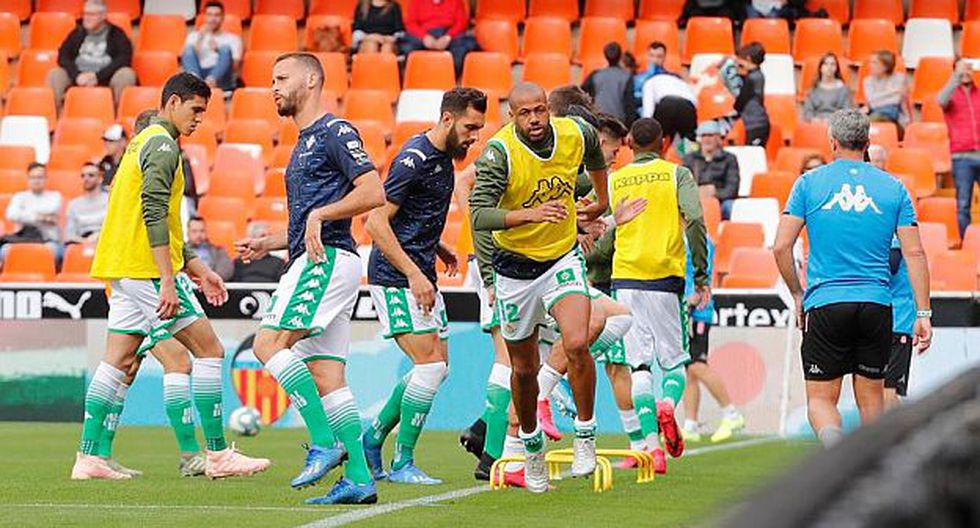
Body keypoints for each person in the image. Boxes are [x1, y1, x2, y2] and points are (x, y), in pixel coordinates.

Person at [73, 72, 270, 480]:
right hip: (145, 269)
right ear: (174, 102)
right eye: (196, 110)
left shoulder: (141, 143)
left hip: (124, 267)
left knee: (118, 360)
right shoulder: (163, 145)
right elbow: (154, 214)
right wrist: (167, 279)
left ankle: (89, 457)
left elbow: (158, 218)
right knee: (209, 350)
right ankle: (216, 455)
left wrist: (197, 268)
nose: (200, 119)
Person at [235, 52, 385, 505]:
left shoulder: (334, 132)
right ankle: (359, 478)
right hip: (320, 255)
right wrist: (274, 241)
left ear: (312, 79)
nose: (273, 87)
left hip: (324, 261)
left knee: (267, 345)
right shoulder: (302, 142)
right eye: (272, 79)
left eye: (282, 78)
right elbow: (313, 220)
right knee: (326, 375)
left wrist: (320, 214)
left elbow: (373, 191)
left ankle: (323, 442)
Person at [469, 81, 610, 493]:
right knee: (524, 369)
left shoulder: (574, 132)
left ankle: (585, 435)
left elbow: (597, 153)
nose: (535, 119)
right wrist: (528, 215)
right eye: (525, 113)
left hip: (561, 257)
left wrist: (600, 199)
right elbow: (479, 215)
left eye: (540, 110)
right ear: (511, 117)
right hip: (514, 269)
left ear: (549, 109)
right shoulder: (499, 153)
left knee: (577, 340)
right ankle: (530, 450)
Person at [772, 108, 932, 448]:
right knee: (873, 401)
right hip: (876, 304)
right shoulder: (894, 188)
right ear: (868, 142)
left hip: (826, 301)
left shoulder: (809, 183)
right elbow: (915, 253)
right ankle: (872, 471)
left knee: (820, 400)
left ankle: (834, 448)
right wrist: (923, 313)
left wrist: (798, 294)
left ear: (832, 142)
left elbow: (781, 247)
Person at [362, 88, 486, 485]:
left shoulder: (445, 159)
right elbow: (376, 223)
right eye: (470, 127)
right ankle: (402, 461)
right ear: (448, 119)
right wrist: (414, 273)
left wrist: (439, 246)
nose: (474, 137)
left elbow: (412, 217)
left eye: (479, 129)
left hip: (421, 273)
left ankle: (373, 437)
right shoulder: (413, 160)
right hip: (397, 278)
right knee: (430, 368)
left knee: (438, 368)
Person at [609, 117, 710, 468]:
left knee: (638, 366)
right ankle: (668, 404)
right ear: (664, 144)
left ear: (630, 145)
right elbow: (695, 219)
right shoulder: (676, 174)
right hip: (664, 279)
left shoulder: (615, 179)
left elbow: (605, 230)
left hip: (624, 279)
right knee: (675, 362)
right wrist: (701, 272)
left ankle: (652, 448)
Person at [681, 236, 746, 443]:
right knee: (689, 369)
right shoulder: (679, 234)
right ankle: (691, 424)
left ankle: (732, 414)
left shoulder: (698, 237)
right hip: (686, 308)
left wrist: (692, 295)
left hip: (699, 310)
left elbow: (702, 271)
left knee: (698, 365)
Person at [47, 0, 136, 109]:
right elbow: (63, 56)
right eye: (85, 13)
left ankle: (118, 115)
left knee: (127, 74)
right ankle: (55, 116)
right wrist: (77, 75)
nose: (86, 18)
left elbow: (124, 59)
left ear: (103, 16)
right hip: (79, 76)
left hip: (105, 78)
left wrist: (97, 77)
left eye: (91, 14)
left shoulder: (117, 34)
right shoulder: (77, 32)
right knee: (55, 74)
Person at [938, 57, 980, 237]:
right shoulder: (951, 95)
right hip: (961, 157)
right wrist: (956, 75)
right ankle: (967, 242)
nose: (965, 73)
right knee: (963, 204)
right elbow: (940, 100)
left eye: (968, 69)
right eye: (961, 69)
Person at [2, 162, 63, 263]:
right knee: (4, 251)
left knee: (53, 251)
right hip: (21, 239)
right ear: (28, 179)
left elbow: (51, 210)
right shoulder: (19, 196)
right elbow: (11, 214)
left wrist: (23, 214)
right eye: (33, 177)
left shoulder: (55, 196)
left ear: (46, 179)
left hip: (47, 240)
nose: (36, 181)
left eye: (40, 177)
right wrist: (41, 217)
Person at [400, 0, 475, 76]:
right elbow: (411, 23)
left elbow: (461, 22)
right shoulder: (416, 1)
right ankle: (417, 77)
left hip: (448, 34)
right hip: (423, 34)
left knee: (465, 46)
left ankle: (449, 78)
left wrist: (448, 37)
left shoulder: (456, 1)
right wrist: (424, 37)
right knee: (407, 47)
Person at [684, 121, 740, 219]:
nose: (707, 139)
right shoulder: (691, 159)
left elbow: (732, 188)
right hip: (696, 200)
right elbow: (682, 185)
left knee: (729, 207)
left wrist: (715, 194)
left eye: (710, 135)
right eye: (703, 136)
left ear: (718, 138)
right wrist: (697, 193)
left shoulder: (729, 159)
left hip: (720, 201)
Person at [181, 1, 242, 91]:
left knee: (225, 49)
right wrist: (200, 38)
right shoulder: (194, 36)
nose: (213, 19)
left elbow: (235, 66)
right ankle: (198, 84)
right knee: (188, 49)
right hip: (199, 74)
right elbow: (186, 60)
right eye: (209, 15)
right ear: (205, 17)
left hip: (222, 79)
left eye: (217, 15)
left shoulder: (233, 38)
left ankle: (207, 83)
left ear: (222, 17)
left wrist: (218, 50)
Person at [582, 42, 638, 126]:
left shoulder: (595, 75)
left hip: (598, 121)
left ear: (605, 56)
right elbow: (629, 106)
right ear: (620, 57)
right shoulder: (626, 77)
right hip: (618, 124)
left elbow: (583, 94)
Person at [640, 69, 698, 146]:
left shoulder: (650, 82)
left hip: (667, 104)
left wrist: (646, 128)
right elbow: (694, 103)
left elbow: (648, 108)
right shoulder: (683, 83)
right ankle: (690, 156)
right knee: (689, 141)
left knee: (657, 138)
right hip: (688, 106)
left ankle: (655, 155)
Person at [733, 42, 770, 147]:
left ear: (748, 59)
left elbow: (741, 101)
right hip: (754, 124)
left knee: (753, 154)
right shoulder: (757, 74)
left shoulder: (752, 79)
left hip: (756, 124)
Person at [861, 50, 909, 130]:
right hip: (874, 114)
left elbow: (896, 101)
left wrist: (876, 100)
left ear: (885, 66)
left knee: (872, 120)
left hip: (896, 120)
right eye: (870, 62)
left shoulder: (900, 78)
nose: (870, 65)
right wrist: (894, 91)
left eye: (874, 63)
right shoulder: (867, 81)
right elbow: (871, 100)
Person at [64, 162, 109, 245]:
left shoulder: (109, 200)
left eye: (91, 175)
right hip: (81, 243)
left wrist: (98, 236)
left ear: (100, 179)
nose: (86, 178)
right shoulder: (74, 204)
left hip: (105, 241)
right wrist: (86, 242)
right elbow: (69, 235)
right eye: (83, 176)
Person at [803, 53, 853, 123]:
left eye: (832, 64)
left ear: (836, 68)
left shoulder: (843, 90)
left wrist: (832, 121)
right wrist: (814, 120)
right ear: (820, 68)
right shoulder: (813, 89)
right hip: (816, 125)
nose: (829, 67)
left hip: (836, 127)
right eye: (826, 64)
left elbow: (846, 112)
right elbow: (807, 112)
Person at [185, 216, 234, 281]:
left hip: (213, 286)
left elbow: (225, 272)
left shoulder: (219, 252)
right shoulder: (181, 252)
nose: (199, 235)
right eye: (194, 231)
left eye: (202, 231)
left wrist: (208, 280)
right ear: (187, 233)